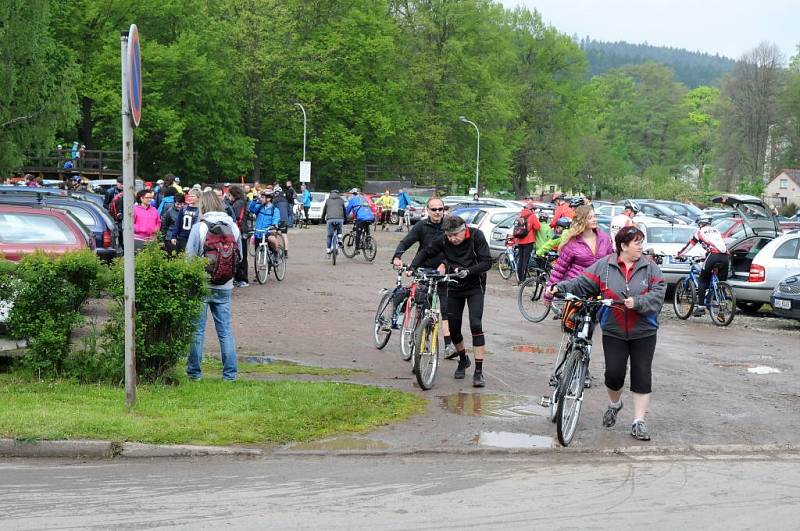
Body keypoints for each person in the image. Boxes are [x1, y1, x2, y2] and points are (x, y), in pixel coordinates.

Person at [548, 226, 666, 441]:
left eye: (641, 242)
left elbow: (659, 295)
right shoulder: (605, 266)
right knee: (614, 374)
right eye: (637, 242)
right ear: (623, 246)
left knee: (641, 374)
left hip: (644, 331)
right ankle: (615, 404)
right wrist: (560, 286)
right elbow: (582, 283)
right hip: (613, 329)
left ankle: (638, 421)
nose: (641, 246)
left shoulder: (651, 268)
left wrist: (638, 302)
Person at [411, 215, 492, 387]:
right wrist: (412, 267)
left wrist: (469, 271)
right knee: (454, 329)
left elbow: (486, 262)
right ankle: (463, 359)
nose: (453, 239)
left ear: (464, 230)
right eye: (449, 236)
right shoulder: (444, 240)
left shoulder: (477, 236)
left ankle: (478, 371)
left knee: (475, 324)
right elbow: (426, 251)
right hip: (454, 285)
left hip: (474, 286)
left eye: (456, 235)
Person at [185, 191, 242, 382]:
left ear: (203, 206)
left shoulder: (199, 227)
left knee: (197, 331)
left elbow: (189, 258)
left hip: (202, 284)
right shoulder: (233, 227)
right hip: (225, 286)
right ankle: (230, 375)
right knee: (225, 331)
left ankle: (194, 374)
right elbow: (239, 257)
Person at [392, 197, 455, 356]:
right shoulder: (421, 226)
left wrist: (446, 265)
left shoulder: (449, 226)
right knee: (423, 304)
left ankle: (449, 346)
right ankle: (422, 338)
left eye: (440, 209)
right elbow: (406, 242)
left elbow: (456, 249)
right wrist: (397, 256)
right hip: (425, 270)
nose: (438, 212)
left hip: (444, 271)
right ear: (427, 210)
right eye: (434, 209)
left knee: (446, 308)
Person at [545, 205, 613, 305]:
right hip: (577, 290)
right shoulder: (572, 243)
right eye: (590, 218)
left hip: (599, 289)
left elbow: (611, 263)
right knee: (574, 319)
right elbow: (559, 270)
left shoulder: (605, 238)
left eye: (594, 216)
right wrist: (548, 295)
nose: (594, 220)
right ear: (581, 220)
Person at [676, 215, 729, 317]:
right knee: (721, 283)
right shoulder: (716, 231)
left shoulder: (699, 232)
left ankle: (701, 307)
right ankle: (722, 308)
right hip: (726, 257)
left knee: (702, 280)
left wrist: (680, 254)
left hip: (713, 255)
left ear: (700, 224)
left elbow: (691, 244)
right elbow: (718, 244)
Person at [511, 196, 542, 283]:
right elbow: (537, 227)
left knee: (520, 260)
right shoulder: (532, 216)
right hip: (528, 241)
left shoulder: (520, 215)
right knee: (525, 261)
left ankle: (519, 278)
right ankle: (523, 280)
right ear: (532, 209)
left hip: (520, 240)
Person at [228, 185, 250, 287]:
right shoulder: (240, 202)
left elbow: (237, 218)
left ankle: (242, 278)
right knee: (240, 254)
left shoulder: (238, 203)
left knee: (241, 254)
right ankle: (240, 277)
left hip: (240, 231)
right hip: (242, 230)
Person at [169, 189, 200, 253]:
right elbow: (178, 223)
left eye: (193, 196)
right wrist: (174, 236)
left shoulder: (200, 210)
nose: (190, 198)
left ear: (198, 198)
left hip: (194, 237)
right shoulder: (184, 208)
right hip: (182, 237)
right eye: (189, 196)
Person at [322, 189, 347, 254]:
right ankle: (339, 239)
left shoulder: (328, 200)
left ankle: (328, 250)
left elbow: (324, 211)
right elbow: (344, 211)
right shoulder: (341, 200)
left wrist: (322, 219)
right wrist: (346, 220)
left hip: (330, 219)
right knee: (339, 229)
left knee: (330, 235)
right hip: (339, 219)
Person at [272, 185, 290, 257]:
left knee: (274, 235)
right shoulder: (285, 200)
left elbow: (272, 210)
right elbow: (289, 211)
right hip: (284, 220)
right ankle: (286, 252)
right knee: (284, 236)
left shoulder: (274, 200)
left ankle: (275, 251)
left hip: (277, 219)